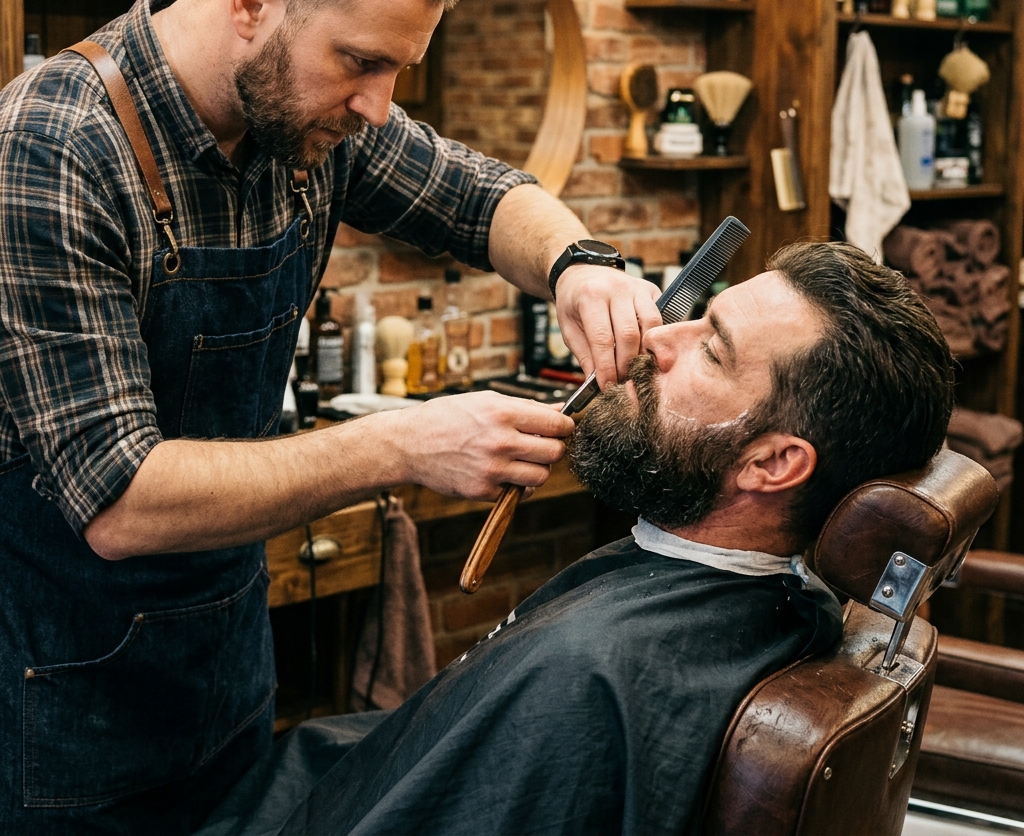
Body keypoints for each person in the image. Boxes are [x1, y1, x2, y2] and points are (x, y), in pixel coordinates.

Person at [0, 0, 661, 835]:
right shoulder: (53, 149)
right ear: (256, 1)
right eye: (361, 60)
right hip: (63, 711)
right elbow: (118, 498)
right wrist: (403, 443)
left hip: (222, 670)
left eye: (396, 68)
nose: (377, 104)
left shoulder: (307, 126)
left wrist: (580, 262)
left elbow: (478, 195)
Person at [199, 240, 955, 836]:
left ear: (773, 462)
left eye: (712, 348)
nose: (658, 337)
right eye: (698, 311)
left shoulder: (589, 674)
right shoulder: (775, 608)